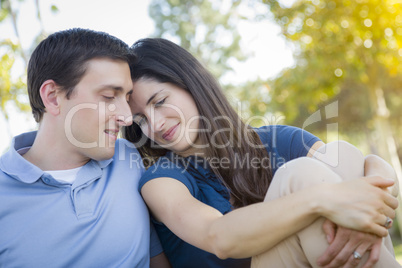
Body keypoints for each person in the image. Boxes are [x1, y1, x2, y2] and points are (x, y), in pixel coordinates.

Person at [123, 37, 400, 268]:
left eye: (159, 102)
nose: (155, 125)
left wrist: (362, 202)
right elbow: (218, 237)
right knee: (300, 172)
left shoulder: (279, 140)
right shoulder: (160, 181)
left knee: (341, 152)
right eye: (140, 120)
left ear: (191, 84)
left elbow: (359, 166)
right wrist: (323, 199)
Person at [0, 29, 171, 267]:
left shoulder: (130, 159)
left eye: (127, 99)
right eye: (110, 96)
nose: (127, 118)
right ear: (51, 96)